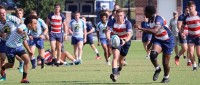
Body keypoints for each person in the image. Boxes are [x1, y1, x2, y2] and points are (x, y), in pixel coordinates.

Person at [134, 5, 175, 83]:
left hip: (168, 40)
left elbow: (155, 30)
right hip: (158, 40)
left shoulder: (159, 19)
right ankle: (157, 69)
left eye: (145, 12)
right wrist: (151, 43)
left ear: (149, 13)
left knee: (165, 63)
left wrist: (141, 28)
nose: (144, 13)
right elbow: (154, 33)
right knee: (152, 54)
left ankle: (166, 77)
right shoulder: (149, 20)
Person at [0, 15, 37, 83]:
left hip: (19, 47)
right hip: (10, 47)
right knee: (11, 65)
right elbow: (18, 29)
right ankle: (3, 67)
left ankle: (24, 79)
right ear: (29, 24)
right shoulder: (23, 26)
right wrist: (23, 33)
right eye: (35, 23)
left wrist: (29, 51)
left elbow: (24, 41)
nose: (36, 25)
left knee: (27, 60)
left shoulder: (28, 31)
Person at [106, 9, 132, 82]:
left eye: (121, 16)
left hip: (125, 42)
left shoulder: (127, 23)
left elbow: (129, 34)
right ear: (115, 16)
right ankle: (114, 74)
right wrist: (109, 39)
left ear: (123, 16)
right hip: (115, 41)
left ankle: (119, 70)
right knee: (115, 57)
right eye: (118, 16)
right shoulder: (111, 22)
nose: (119, 17)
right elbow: (108, 32)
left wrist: (125, 40)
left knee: (121, 61)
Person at [0, 5, 21, 73]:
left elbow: (20, 22)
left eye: (4, 12)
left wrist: (20, 31)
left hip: (13, 41)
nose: (3, 14)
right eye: (1, 13)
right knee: (3, 58)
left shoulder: (11, 18)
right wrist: (2, 34)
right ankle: (3, 75)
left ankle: (21, 62)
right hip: (4, 41)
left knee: (12, 61)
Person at [182, 1, 200, 71]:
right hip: (190, 37)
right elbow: (182, 26)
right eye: (189, 7)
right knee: (191, 52)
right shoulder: (186, 17)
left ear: (195, 7)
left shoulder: (199, 15)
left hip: (198, 36)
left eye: (192, 6)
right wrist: (182, 33)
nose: (190, 8)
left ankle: (199, 60)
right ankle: (194, 66)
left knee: (199, 54)